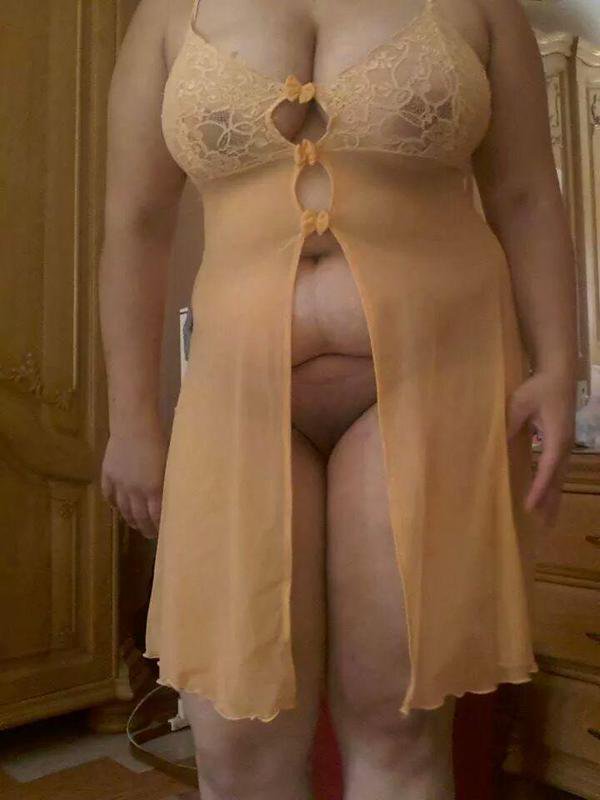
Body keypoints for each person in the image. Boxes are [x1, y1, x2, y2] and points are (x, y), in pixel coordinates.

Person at [99, 0, 577, 797]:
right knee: (237, 741)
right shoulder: (167, 16)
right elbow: (135, 223)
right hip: (235, 397)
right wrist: (131, 421)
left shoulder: (482, 6)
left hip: (435, 382)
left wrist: (559, 366)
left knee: (399, 722)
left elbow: (527, 194)